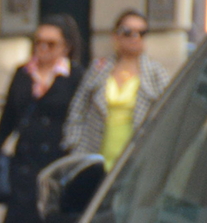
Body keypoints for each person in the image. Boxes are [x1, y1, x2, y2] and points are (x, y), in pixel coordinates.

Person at [0, 16, 80, 223]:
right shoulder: (23, 73)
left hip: (56, 163)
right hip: (25, 163)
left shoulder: (74, 77)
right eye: (38, 43)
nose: (43, 49)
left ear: (65, 47)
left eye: (51, 44)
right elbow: (8, 116)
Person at [65, 9, 169, 166]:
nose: (135, 38)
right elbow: (78, 107)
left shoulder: (156, 73)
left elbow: (168, 113)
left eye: (141, 33)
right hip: (94, 154)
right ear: (116, 35)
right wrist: (74, 143)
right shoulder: (99, 68)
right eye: (127, 32)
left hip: (137, 160)